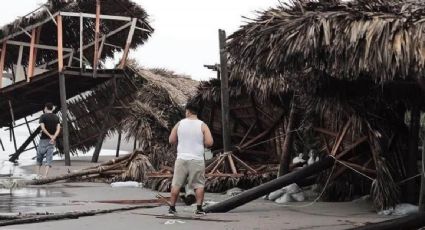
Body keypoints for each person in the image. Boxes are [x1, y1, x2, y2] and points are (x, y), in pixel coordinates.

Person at [168, 103, 213, 216]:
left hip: (181, 158)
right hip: (197, 159)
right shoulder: (202, 125)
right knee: (198, 184)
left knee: (176, 184)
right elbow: (209, 142)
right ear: (196, 112)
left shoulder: (179, 124)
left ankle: (172, 208)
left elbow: (171, 140)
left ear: (188, 111)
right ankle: (199, 209)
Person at [36, 102, 60, 178]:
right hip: (52, 141)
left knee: (39, 157)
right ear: (52, 108)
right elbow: (58, 129)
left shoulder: (42, 116)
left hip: (43, 140)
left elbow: (43, 128)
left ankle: (37, 175)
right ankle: (45, 176)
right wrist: (53, 137)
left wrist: (50, 136)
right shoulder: (56, 117)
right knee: (49, 158)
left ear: (46, 108)